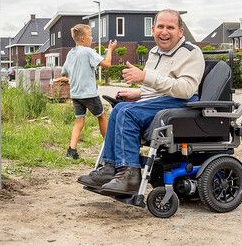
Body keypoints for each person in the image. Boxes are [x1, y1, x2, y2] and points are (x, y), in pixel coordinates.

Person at [77, 10, 205, 194]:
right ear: (153, 29)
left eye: (170, 27)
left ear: (180, 31)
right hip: (159, 101)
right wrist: (138, 93)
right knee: (120, 107)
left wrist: (145, 77)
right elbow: (154, 87)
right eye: (160, 27)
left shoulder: (191, 53)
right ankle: (110, 168)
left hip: (180, 103)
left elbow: (185, 89)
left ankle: (130, 175)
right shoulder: (154, 52)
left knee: (127, 113)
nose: (164, 32)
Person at [62, 24, 116, 160]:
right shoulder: (88, 51)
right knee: (102, 117)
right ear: (84, 39)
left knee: (79, 121)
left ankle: (71, 150)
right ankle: (110, 147)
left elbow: (65, 72)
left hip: (76, 94)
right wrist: (110, 49)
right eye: (91, 35)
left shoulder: (71, 53)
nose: (92, 38)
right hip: (89, 94)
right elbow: (107, 64)